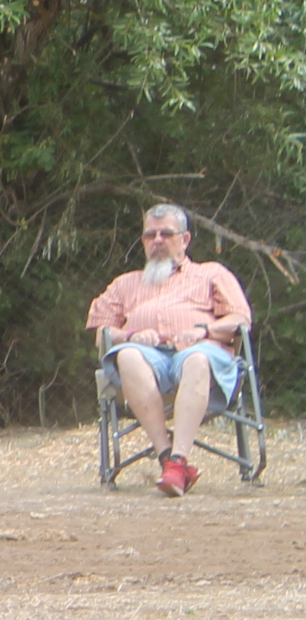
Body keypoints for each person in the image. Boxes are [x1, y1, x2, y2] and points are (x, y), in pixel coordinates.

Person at [86, 202, 253, 497]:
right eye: (151, 235)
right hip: (151, 361)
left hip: (204, 352)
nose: (158, 241)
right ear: (143, 242)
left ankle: (177, 460)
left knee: (197, 358)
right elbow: (103, 332)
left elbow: (241, 320)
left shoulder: (212, 273)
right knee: (126, 353)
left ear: (185, 239)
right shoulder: (125, 284)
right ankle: (170, 461)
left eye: (166, 234)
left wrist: (203, 331)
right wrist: (132, 334)